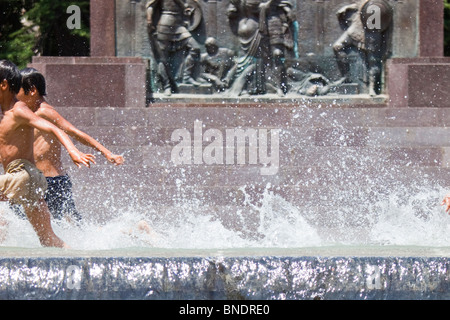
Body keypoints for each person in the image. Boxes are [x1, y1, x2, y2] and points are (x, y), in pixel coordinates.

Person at [0, 60, 95, 248]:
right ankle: (78, 260)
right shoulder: (6, 112)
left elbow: (55, 129)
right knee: (48, 239)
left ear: (3, 85)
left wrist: (73, 150)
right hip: (30, 181)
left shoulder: (19, 110)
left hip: (23, 176)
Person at [15, 68, 124, 223]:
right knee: (23, 220)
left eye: (16, 90)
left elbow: (74, 132)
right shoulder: (30, 114)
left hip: (50, 183)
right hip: (37, 181)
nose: (14, 95)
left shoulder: (45, 112)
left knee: (71, 228)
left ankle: (131, 231)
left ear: (32, 90)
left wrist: (107, 153)